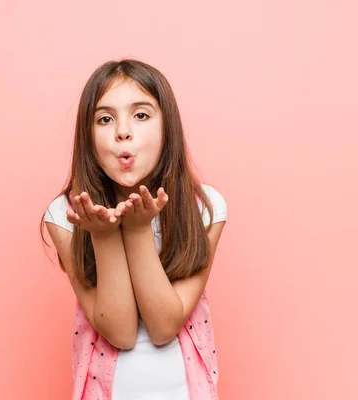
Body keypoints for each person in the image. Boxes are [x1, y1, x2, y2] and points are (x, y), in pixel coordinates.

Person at [41, 59, 227, 400]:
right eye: (105, 118)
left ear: (167, 126)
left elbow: (163, 326)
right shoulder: (64, 214)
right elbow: (121, 332)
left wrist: (138, 230)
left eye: (140, 115)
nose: (122, 131)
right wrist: (104, 234)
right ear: (88, 135)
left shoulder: (204, 207)